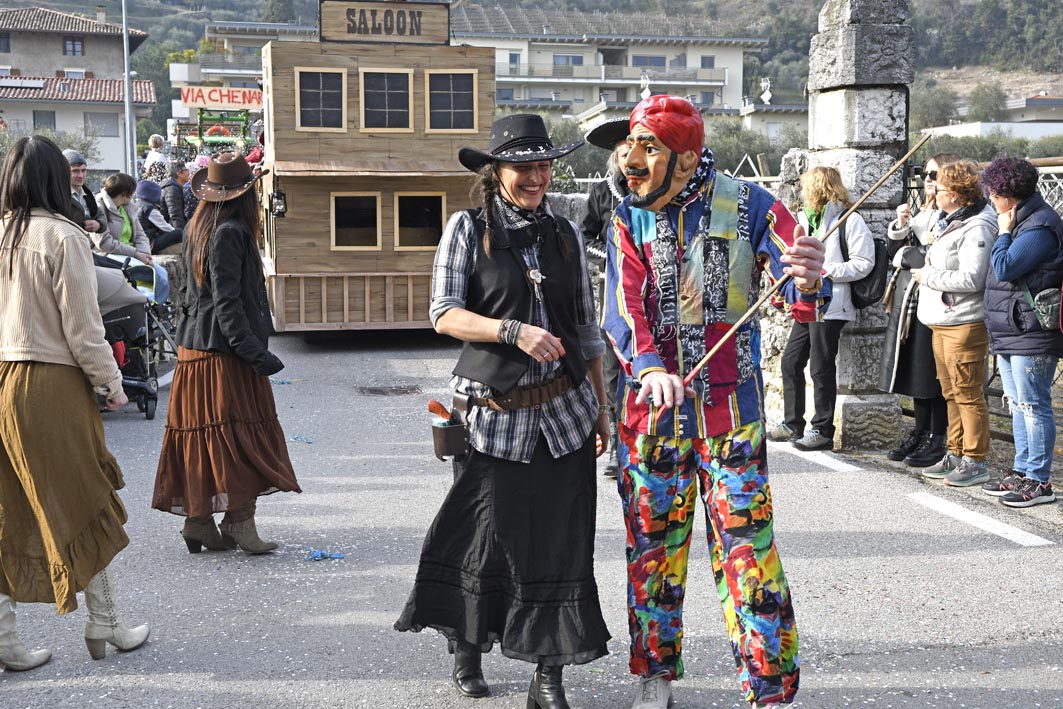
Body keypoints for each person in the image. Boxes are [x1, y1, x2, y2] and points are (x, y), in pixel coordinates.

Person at [603, 95, 828, 709]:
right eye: (633, 145)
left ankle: (770, 687)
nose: (633, 160)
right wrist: (649, 366)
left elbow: (800, 282)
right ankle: (654, 674)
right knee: (653, 548)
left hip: (733, 417)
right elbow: (622, 310)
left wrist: (809, 275)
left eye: (649, 147)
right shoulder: (629, 216)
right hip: (651, 418)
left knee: (748, 550)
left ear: (688, 156)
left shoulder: (751, 203)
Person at [395, 114, 612, 709]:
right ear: (496, 173)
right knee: (485, 536)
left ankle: (549, 676)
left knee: (562, 543)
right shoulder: (468, 229)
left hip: (566, 413)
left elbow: (585, 329)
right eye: (523, 166)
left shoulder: (566, 234)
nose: (536, 176)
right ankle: (468, 642)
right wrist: (511, 331)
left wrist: (601, 406)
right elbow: (443, 313)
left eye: (544, 165)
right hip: (494, 417)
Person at [0, 135, 149, 670]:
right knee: (88, 497)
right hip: (49, 385)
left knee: (6, 507)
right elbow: (84, 331)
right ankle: (105, 621)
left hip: (0, 379)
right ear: (55, 180)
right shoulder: (62, 236)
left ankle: (5, 639)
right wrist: (113, 383)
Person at [151, 150, 300, 554]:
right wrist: (256, 354)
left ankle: (199, 522)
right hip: (222, 356)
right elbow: (227, 304)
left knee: (205, 441)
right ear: (243, 196)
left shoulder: (199, 226)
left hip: (194, 353)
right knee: (237, 440)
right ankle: (239, 522)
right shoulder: (230, 232)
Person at [770, 166, 874, 451]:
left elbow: (864, 263)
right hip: (805, 302)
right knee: (791, 361)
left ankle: (823, 430)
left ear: (819, 187)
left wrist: (824, 271)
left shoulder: (848, 221)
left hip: (831, 304)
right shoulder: (803, 219)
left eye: (808, 186)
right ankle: (792, 423)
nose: (803, 191)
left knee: (821, 367)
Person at [980, 155, 1063, 507]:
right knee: (1017, 404)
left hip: (1032, 331)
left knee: (1033, 404)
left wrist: (1001, 232)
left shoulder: (1040, 226)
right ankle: (1022, 469)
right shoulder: (1023, 221)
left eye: (993, 193)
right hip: (1015, 328)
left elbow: (1005, 267)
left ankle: (1039, 481)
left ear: (1006, 195)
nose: (991, 200)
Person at [911, 159, 996, 487]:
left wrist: (930, 276)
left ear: (957, 196)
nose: (934, 190)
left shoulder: (977, 226)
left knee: (968, 392)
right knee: (950, 391)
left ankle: (975, 459)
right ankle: (955, 451)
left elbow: (974, 277)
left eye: (941, 187)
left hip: (964, 321)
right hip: (941, 320)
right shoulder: (949, 219)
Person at [879, 154, 959, 466]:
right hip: (911, 301)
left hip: (938, 301)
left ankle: (938, 436)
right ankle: (921, 430)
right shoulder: (923, 211)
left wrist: (909, 252)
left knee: (932, 373)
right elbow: (896, 254)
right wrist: (900, 228)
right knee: (915, 368)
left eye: (933, 174)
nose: (927, 179)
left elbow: (924, 257)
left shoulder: (952, 216)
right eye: (923, 173)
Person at [579, 116, 630, 477]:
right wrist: (616, 258)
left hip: (657, 300)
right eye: (625, 153)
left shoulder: (658, 192)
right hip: (612, 295)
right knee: (611, 374)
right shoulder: (601, 194)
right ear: (616, 157)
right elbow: (585, 239)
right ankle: (617, 447)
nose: (632, 160)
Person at [95, 173, 171, 304]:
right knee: (145, 276)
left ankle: (158, 308)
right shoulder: (99, 208)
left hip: (132, 254)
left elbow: (140, 234)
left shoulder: (127, 208)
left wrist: (144, 254)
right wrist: (136, 254)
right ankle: (147, 307)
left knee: (161, 274)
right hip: (110, 255)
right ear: (126, 193)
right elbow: (104, 243)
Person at [134, 179, 183, 254]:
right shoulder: (149, 209)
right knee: (178, 233)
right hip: (149, 244)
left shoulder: (137, 204)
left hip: (140, 242)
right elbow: (166, 227)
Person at [160, 160, 190, 232]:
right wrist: (180, 233)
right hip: (168, 229)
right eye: (186, 170)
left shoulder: (173, 186)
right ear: (179, 173)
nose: (188, 173)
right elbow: (174, 214)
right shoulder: (172, 189)